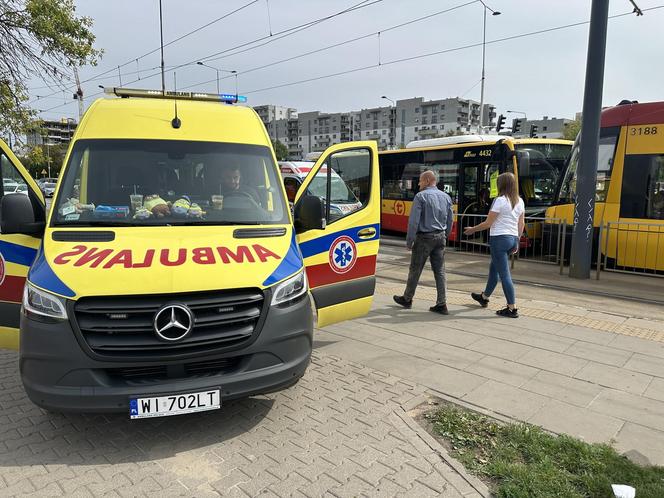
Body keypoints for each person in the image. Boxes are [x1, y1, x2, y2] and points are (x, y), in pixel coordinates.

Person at [464, 172, 525, 318]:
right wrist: (517, 239)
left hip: (499, 240)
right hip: (511, 239)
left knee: (504, 275)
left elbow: (488, 223)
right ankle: (484, 297)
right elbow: (521, 223)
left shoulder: (500, 200)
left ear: (501, 185)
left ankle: (512, 308)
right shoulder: (520, 201)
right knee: (494, 268)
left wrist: (472, 230)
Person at [393, 170, 453, 315]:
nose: (418, 184)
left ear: (427, 180)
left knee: (415, 269)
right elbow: (450, 220)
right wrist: (445, 235)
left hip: (424, 238)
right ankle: (442, 303)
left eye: (420, 181)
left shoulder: (421, 197)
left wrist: (409, 241)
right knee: (440, 271)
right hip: (440, 237)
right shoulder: (446, 197)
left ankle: (407, 299)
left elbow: (413, 222)